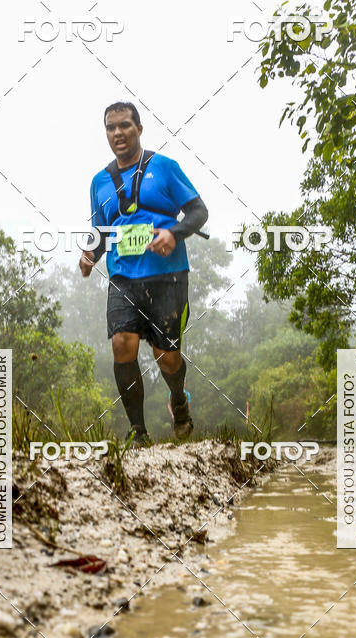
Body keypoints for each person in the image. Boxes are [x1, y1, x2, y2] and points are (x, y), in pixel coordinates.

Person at [79, 101, 208, 445]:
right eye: (111, 127)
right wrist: (90, 254)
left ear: (139, 128)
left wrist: (174, 234)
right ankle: (138, 432)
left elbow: (198, 211)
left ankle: (179, 401)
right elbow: (100, 232)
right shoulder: (99, 182)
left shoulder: (164, 167)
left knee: (166, 355)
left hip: (168, 275)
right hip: (123, 276)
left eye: (124, 125)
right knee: (123, 344)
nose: (117, 133)